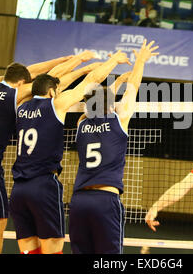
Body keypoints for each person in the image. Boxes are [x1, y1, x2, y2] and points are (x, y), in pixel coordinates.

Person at [9, 50, 132, 255]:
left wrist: (81, 64)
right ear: (51, 92)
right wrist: (113, 61)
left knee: (29, 250)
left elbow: (49, 79)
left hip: (18, 189)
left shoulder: (20, 106)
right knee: (53, 248)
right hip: (43, 185)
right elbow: (92, 82)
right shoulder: (55, 104)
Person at [0, 54, 77, 254]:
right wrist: (66, 62)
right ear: (22, 82)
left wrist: (57, 61)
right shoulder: (17, 93)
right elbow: (49, 82)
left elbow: (30, 71)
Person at [69, 40, 159, 254]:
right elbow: (134, 87)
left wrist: (116, 82)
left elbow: (97, 103)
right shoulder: (118, 121)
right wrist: (140, 61)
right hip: (105, 200)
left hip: (79, 201)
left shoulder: (81, 123)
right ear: (110, 104)